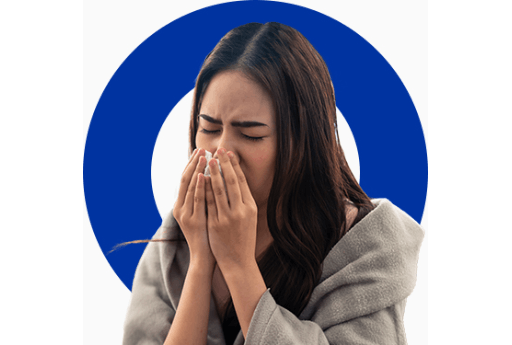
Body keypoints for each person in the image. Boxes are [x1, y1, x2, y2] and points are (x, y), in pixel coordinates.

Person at [122, 22, 424, 345]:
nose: (221, 152)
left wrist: (239, 266)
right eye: (208, 128)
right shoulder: (180, 233)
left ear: (303, 143)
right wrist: (200, 264)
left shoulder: (366, 245)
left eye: (251, 135)